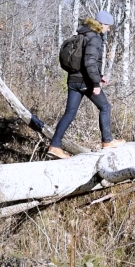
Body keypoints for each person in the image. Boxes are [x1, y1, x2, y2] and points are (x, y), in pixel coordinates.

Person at [47, 11, 125, 159]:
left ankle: (54, 146)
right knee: (105, 107)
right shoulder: (94, 38)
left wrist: (99, 77)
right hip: (85, 81)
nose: (108, 29)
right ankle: (107, 141)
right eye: (108, 26)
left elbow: (84, 61)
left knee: (69, 113)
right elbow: (89, 62)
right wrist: (95, 83)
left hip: (73, 80)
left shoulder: (82, 34)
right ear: (101, 24)